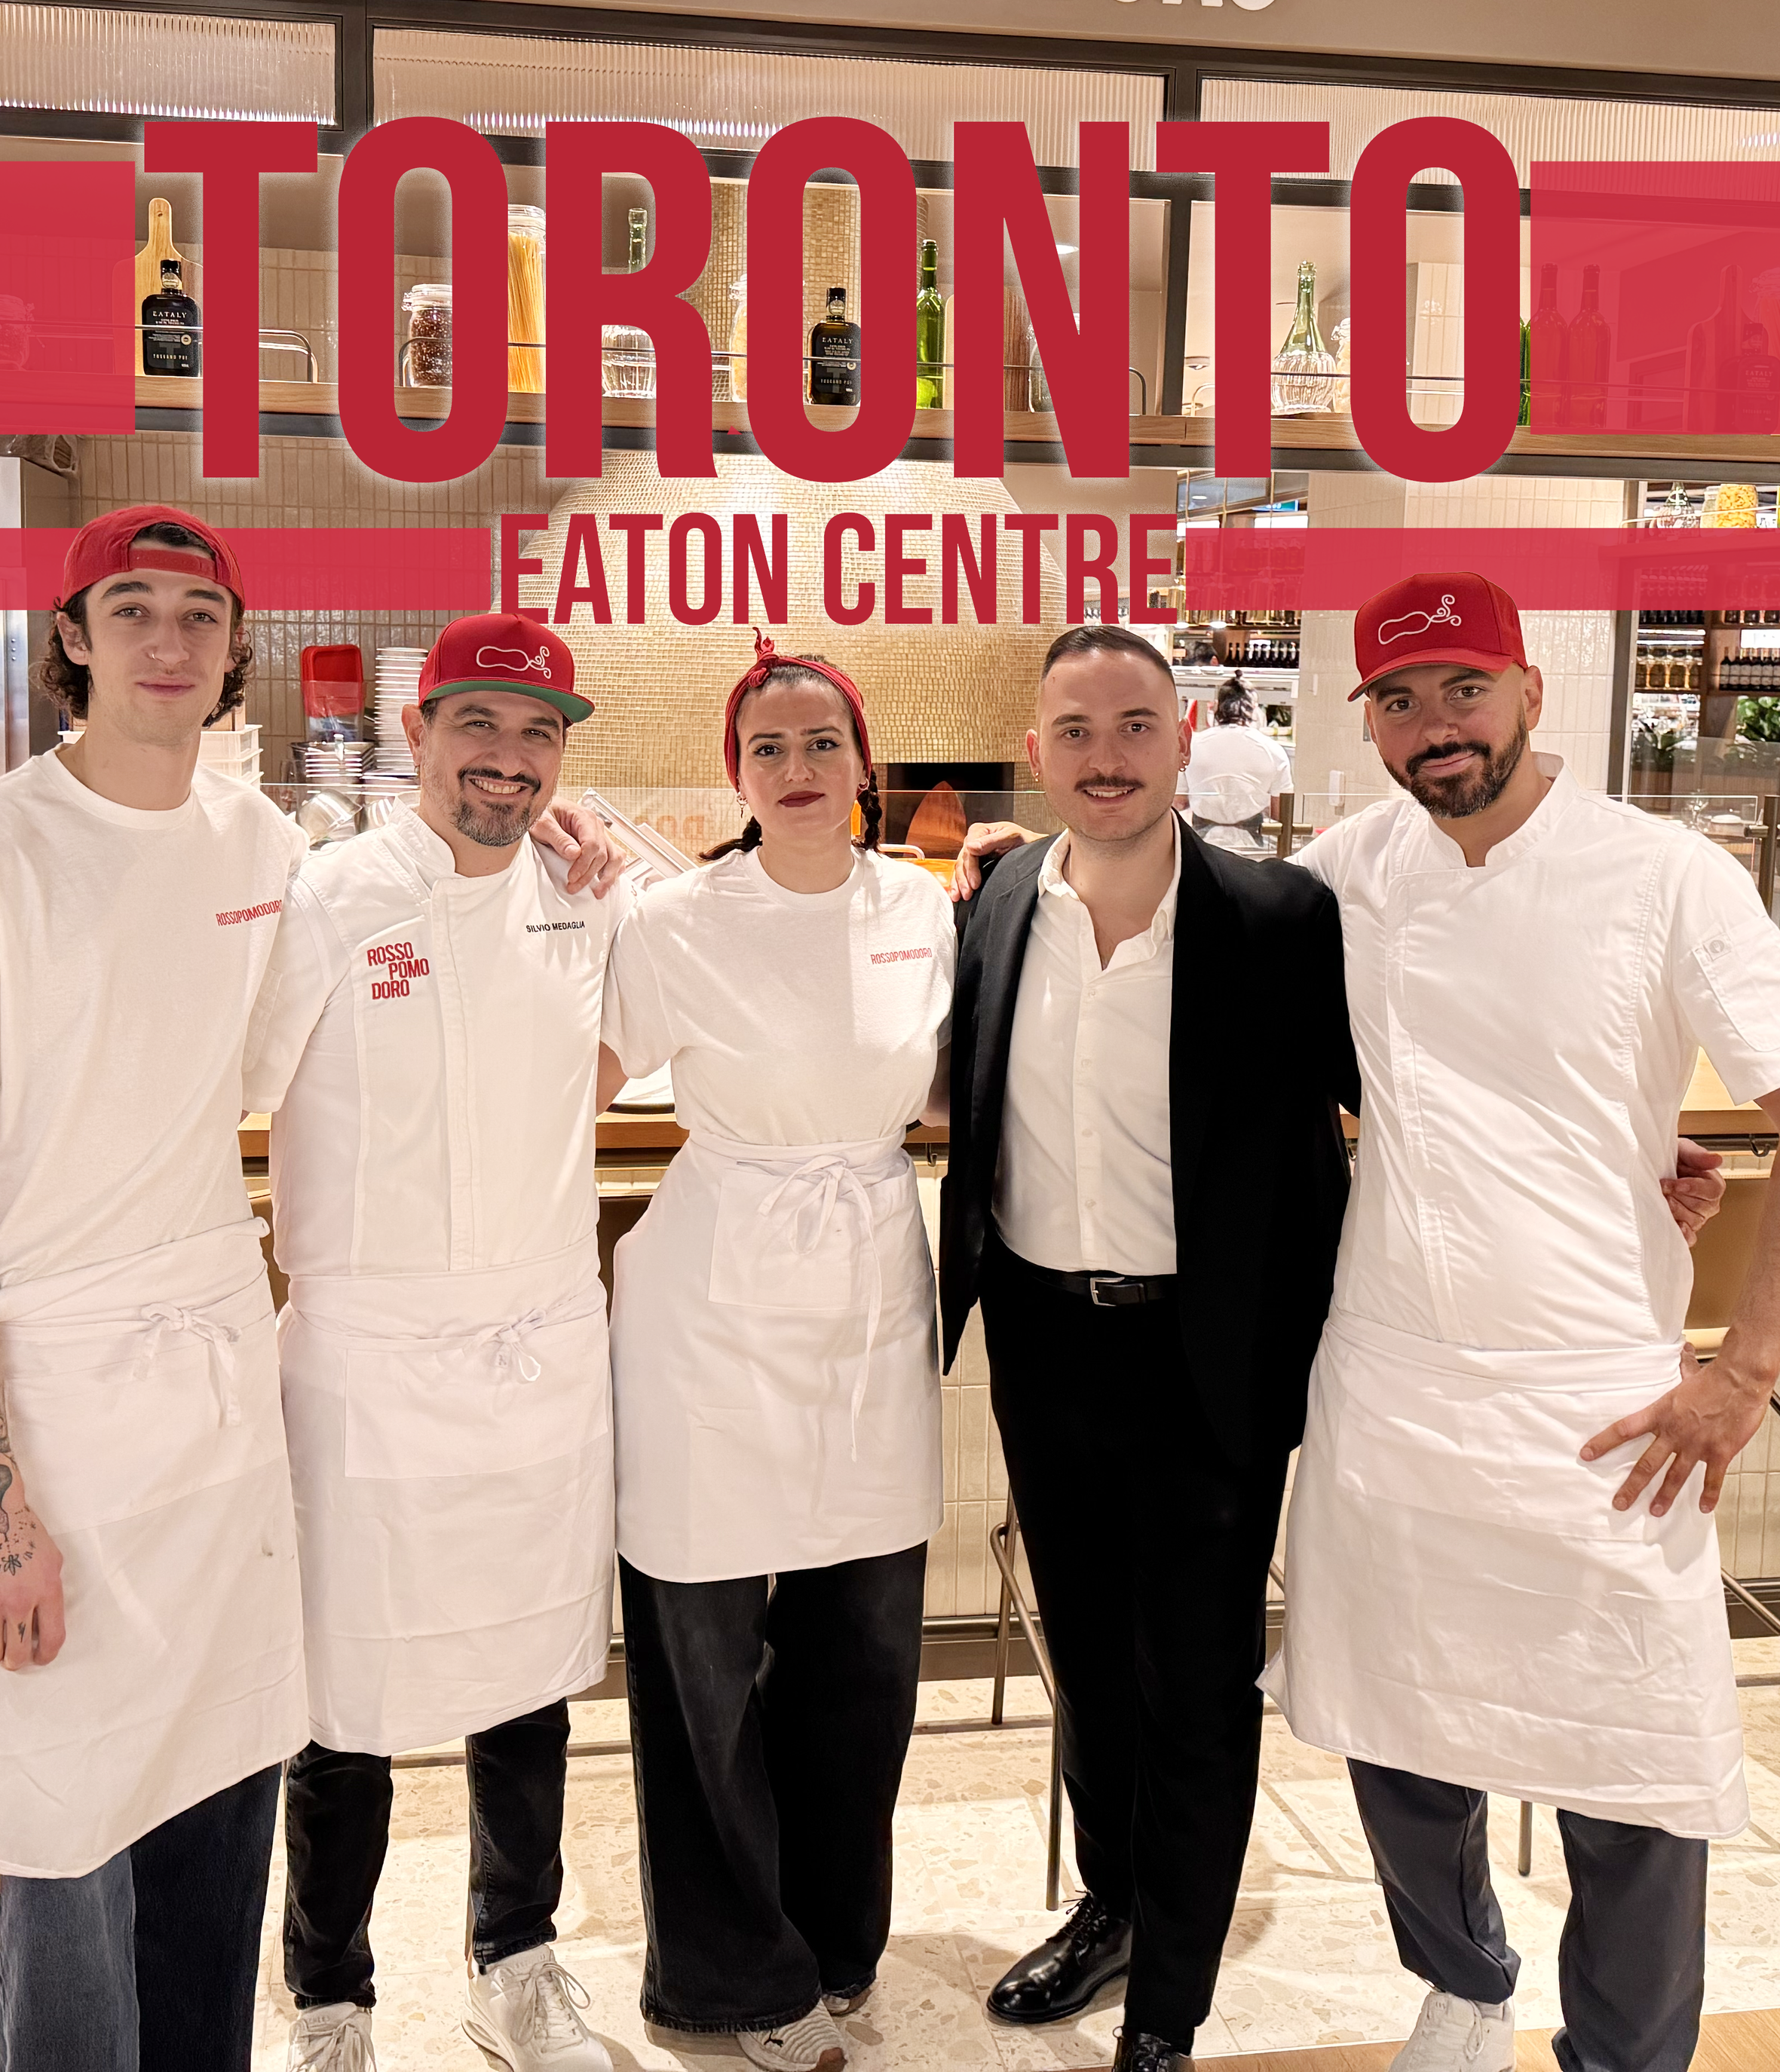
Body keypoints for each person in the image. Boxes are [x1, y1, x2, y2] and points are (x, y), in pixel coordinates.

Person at [1266, 571, 1780, 2072]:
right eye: (1398, 700)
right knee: (1392, 1721)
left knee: (1629, 1760)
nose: (1434, 726)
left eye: (1461, 687)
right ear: (1365, 718)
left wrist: (1740, 1367)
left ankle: (1621, 2054)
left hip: (1598, 1385)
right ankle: (1462, 1979)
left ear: (1529, 686)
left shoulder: (1666, 872)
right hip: (1393, 1365)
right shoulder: (1343, 870)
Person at [0, 510, 307, 2072]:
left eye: (199, 611)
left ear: (230, 643)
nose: (166, 639)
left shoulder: (267, 850)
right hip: (49, 1407)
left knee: (221, 1809)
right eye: (128, 605)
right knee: (65, 1844)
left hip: (213, 1391)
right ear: (69, 632)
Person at [940, 623, 1358, 2072]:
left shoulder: (1281, 919)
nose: (1105, 756)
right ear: (1039, 748)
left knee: (1194, 1676)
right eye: (1076, 729)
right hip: (1048, 1342)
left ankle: (1169, 2000)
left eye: (1134, 725)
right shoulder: (996, 903)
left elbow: (1412, 1106)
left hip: (1208, 1356)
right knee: (1095, 1665)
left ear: (1184, 741)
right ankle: (1112, 1904)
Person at [242, 614, 632, 2072]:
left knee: (528, 1676)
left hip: (536, 1343)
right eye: (482, 725)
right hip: (369, 1361)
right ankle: (329, 1997)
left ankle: (516, 1961)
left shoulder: (584, 892)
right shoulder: (326, 899)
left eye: (540, 735)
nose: (512, 761)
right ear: (417, 735)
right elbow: (226, 1080)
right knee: (340, 1704)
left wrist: (600, 845)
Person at [596, 635, 954, 2072]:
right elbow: (568, 1073)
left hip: (869, 1285)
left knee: (862, 1650)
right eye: (767, 749)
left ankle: (839, 1939)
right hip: (711, 1299)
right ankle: (724, 1976)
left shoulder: (924, 908)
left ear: (865, 762)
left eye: (821, 743)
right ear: (733, 774)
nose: (797, 770)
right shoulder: (671, 920)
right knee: (702, 1655)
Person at [1177, 672, 1293, 853]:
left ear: (1217, 707)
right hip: (1251, 848)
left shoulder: (1194, 745)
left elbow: (1179, 801)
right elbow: (1282, 813)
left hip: (1201, 847)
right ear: (1254, 708)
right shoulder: (1273, 750)